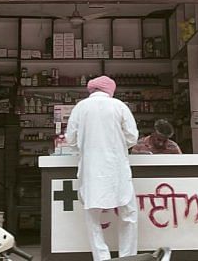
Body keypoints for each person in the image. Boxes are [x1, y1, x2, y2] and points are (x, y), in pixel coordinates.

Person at [66, 75, 139, 261]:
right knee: (128, 214)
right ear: (110, 90)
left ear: (92, 89)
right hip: (117, 169)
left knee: (92, 217)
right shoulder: (119, 106)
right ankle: (127, 256)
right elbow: (132, 137)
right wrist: (118, 144)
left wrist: (84, 147)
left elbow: (71, 139)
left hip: (91, 170)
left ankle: (101, 257)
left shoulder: (80, 108)